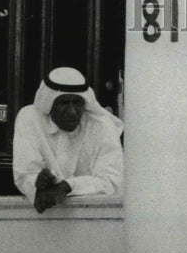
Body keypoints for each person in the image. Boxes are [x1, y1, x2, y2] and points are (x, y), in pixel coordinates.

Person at [13, 67, 124, 214]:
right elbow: (25, 174)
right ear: (48, 104)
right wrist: (37, 183)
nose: (72, 112)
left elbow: (112, 181)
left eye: (77, 103)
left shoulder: (102, 125)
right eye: (63, 103)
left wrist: (67, 186)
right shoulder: (29, 119)